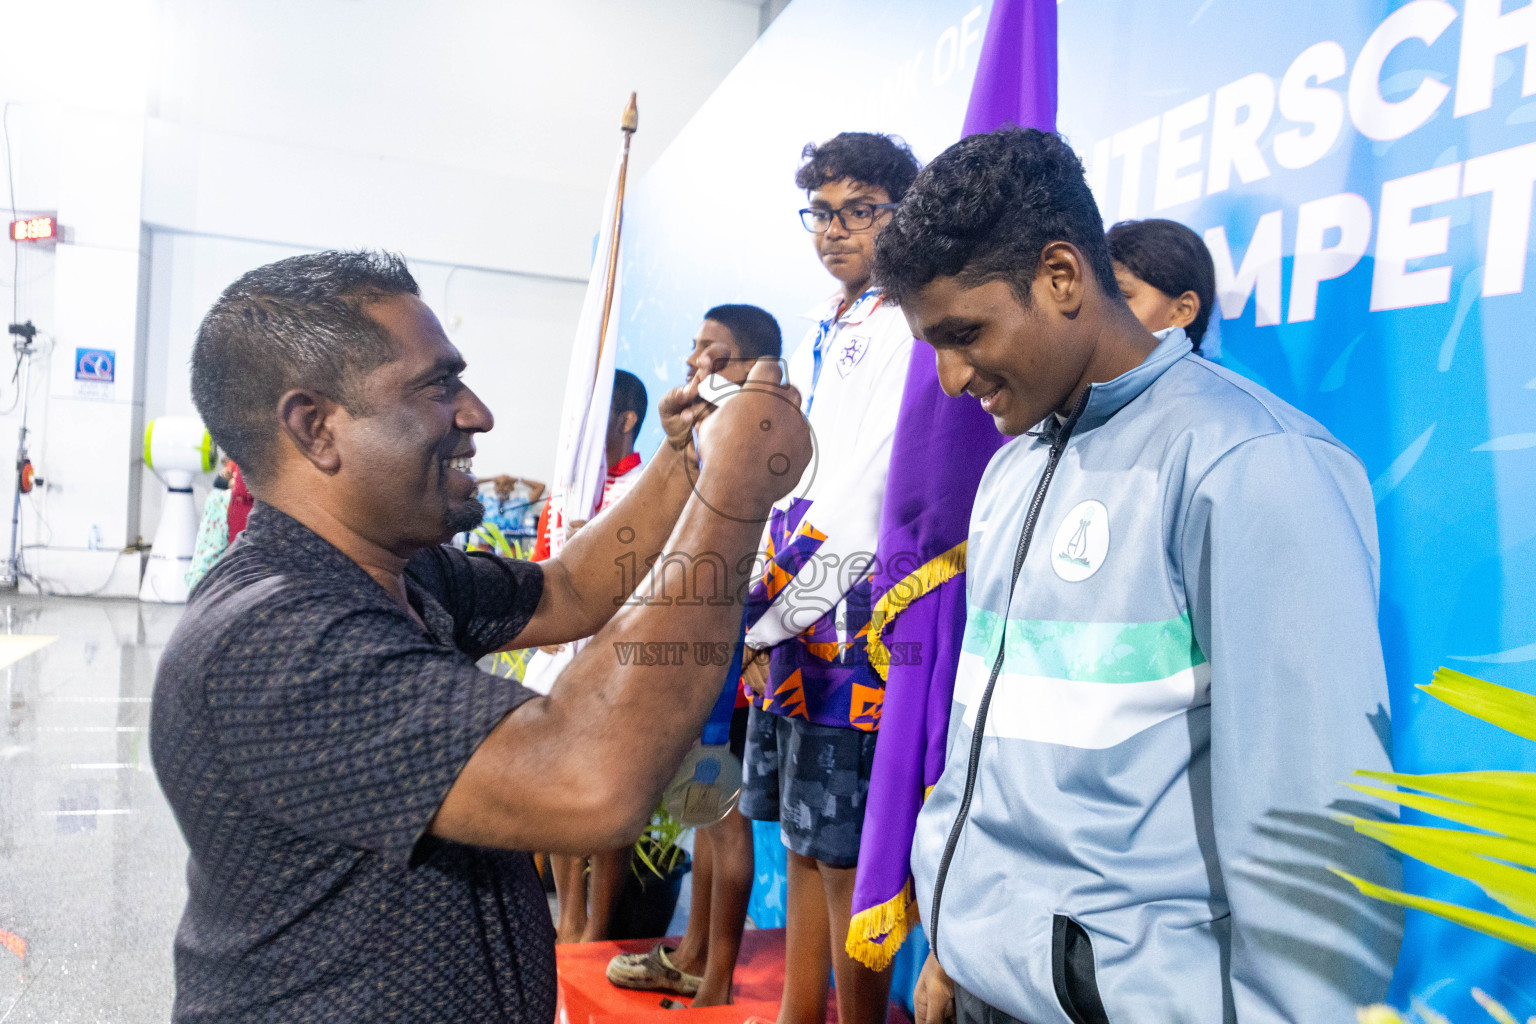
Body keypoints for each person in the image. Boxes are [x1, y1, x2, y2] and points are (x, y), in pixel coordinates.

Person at [151, 250, 811, 1023]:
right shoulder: (276, 642)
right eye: (438, 385)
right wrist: (732, 495)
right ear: (315, 426)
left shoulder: (398, 570)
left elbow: (569, 591)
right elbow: (590, 783)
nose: (476, 414)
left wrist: (684, 460)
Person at [871, 128, 1401, 1024]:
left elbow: (1320, 832)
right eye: (933, 345)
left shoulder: (1251, 464)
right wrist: (951, 946)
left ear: (1063, 277)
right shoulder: (1010, 469)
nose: (951, 378)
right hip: (979, 991)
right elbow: (984, 747)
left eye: (964, 335)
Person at [738, 133, 920, 1024]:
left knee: (848, 854)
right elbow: (810, 473)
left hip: (853, 616)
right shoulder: (838, 317)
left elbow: (867, 491)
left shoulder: (904, 323)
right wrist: (765, 606)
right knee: (804, 841)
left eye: (859, 211)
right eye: (821, 212)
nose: (834, 230)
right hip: (795, 606)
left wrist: (767, 615)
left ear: (902, 212)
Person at [606, 303, 783, 1005]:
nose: (694, 362)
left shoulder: (770, 434)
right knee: (704, 815)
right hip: (702, 643)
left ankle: (714, 982)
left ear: (752, 367)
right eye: (694, 347)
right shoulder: (712, 430)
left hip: (738, 652)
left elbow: (771, 543)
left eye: (713, 351)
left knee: (724, 817)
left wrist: (756, 638)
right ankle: (694, 952)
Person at [540, 368, 652, 945]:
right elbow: (538, 574)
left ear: (626, 420)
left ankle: (598, 930)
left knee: (610, 806)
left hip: (620, 671)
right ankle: (570, 921)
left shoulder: (647, 489)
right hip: (565, 670)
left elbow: (660, 578)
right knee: (561, 796)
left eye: (597, 414)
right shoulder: (570, 488)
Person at [1106, 217, 1216, 353]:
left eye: (1122, 295)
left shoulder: (1201, 375)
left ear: (1182, 311)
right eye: (1099, 294)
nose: (1101, 308)